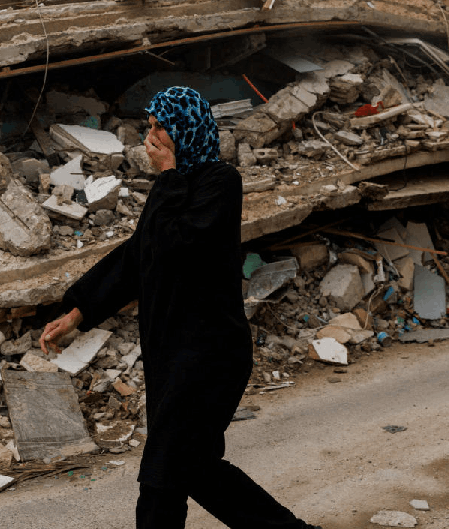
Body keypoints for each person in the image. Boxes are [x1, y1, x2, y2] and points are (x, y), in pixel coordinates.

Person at [41, 87, 322, 529]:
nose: (152, 136)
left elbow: (179, 248)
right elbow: (137, 257)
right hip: (172, 357)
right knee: (185, 470)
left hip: (210, 354)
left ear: (187, 129)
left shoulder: (220, 183)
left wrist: (169, 174)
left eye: (161, 126)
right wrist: (76, 313)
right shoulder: (168, 191)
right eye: (149, 126)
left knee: (169, 471)